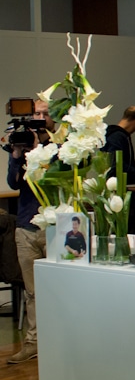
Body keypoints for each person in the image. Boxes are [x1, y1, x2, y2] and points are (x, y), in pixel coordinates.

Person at [6, 99, 55, 364]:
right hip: (26, 226)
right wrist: (17, 155)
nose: (39, 118)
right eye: (36, 113)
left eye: (44, 114)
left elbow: (55, 178)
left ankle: (60, 341)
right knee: (32, 292)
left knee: (58, 289)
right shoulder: (21, 143)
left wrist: (39, 151)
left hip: (54, 227)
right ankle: (33, 343)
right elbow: (13, 183)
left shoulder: (61, 146)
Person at [102, 106, 135, 235]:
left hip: (114, 191)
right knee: (130, 231)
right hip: (123, 193)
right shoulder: (119, 137)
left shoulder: (110, 135)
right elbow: (116, 165)